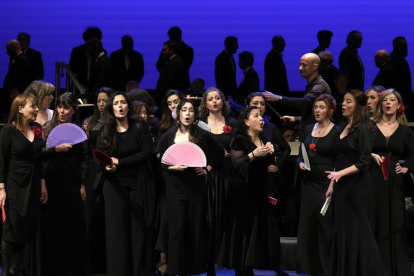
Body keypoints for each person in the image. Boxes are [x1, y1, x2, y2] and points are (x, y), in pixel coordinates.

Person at [218, 106, 289, 276]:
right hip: (243, 194)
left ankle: (265, 266)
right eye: (256, 116)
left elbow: (266, 165)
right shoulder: (239, 140)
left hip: (260, 192)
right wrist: (253, 154)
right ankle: (242, 270)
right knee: (244, 232)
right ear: (246, 122)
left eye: (261, 116)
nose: (261, 119)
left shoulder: (263, 139)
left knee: (262, 231)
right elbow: (237, 164)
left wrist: (272, 158)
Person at [157, 99, 224, 275]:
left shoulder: (201, 134)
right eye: (184, 110)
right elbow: (160, 162)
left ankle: (192, 269)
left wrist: (208, 168)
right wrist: (172, 167)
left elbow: (219, 152)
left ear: (195, 115)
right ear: (178, 113)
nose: (187, 113)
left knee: (195, 227)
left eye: (191, 110)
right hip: (175, 186)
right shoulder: (168, 136)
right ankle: (174, 268)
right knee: (177, 227)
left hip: (195, 187)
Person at [325, 90, 388, 276]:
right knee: (342, 229)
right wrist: (332, 184)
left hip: (357, 185)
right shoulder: (344, 127)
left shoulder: (364, 129)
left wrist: (341, 174)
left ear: (358, 106)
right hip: (342, 184)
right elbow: (339, 158)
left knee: (358, 228)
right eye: (343, 101)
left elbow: (363, 161)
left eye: (348, 101)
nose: (343, 104)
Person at [97, 91, 154, 276]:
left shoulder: (140, 127)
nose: (120, 106)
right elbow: (99, 157)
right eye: (116, 103)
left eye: (123, 102)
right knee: (116, 233)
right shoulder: (106, 130)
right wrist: (108, 167)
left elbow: (146, 153)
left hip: (138, 184)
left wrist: (119, 162)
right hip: (114, 185)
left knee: (137, 232)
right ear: (111, 108)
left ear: (128, 106)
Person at [40, 92, 87, 276]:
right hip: (51, 179)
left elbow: (83, 159)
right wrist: (55, 149)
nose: (61, 111)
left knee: (72, 224)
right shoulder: (47, 127)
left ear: (74, 110)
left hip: (71, 180)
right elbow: (39, 153)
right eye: (59, 106)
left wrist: (82, 184)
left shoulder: (79, 129)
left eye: (66, 107)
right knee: (53, 225)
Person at [0, 94, 47, 276]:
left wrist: (43, 185)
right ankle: (5, 271)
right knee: (10, 228)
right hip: (13, 185)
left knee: (25, 227)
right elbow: (1, 161)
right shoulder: (7, 131)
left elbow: (39, 161)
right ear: (20, 109)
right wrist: (1, 189)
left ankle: (14, 269)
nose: (36, 109)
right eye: (32, 106)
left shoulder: (36, 130)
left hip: (32, 185)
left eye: (36, 106)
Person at [368, 89, 414, 276]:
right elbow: (358, 147)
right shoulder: (370, 126)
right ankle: (370, 266)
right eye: (385, 100)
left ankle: (391, 267)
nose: (388, 103)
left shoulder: (404, 130)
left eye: (392, 100)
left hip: (394, 180)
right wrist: (371, 155)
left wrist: (406, 168)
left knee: (393, 221)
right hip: (372, 176)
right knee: (372, 218)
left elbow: (412, 154)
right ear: (380, 104)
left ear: (398, 105)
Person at [296, 94, 340, 276]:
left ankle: (326, 269)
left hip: (325, 184)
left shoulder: (337, 131)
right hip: (309, 183)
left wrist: (332, 185)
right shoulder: (308, 129)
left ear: (330, 110)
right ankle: (307, 267)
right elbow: (301, 152)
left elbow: (339, 160)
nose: (317, 110)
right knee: (308, 225)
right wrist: (299, 162)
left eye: (322, 107)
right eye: (315, 107)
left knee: (324, 226)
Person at [198, 87, 236, 275]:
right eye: (210, 99)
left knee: (228, 220)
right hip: (209, 177)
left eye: (217, 98)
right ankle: (210, 264)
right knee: (210, 221)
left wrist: (231, 155)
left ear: (223, 101)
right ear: (205, 104)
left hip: (228, 176)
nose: (214, 101)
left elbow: (240, 147)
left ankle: (230, 260)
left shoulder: (233, 124)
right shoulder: (200, 125)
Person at [82, 87, 114, 275]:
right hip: (92, 171)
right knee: (90, 218)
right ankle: (90, 264)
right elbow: (84, 152)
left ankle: (107, 263)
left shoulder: (114, 122)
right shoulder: (88, 122)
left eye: (105, 100)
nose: (102, 104)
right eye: (99, 100)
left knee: (106, 218)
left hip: (108, 171)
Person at [263, 53, 331, 140]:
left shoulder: (320, 85)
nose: (300, 68)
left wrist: (279, 98)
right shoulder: (313, 85)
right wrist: (294, 119)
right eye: (300, 64)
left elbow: (305, 102)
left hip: (318, 138)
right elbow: (312, 116)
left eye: (304, 65)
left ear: (315, 67)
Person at [155, 40, 189, 106]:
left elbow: (170, 83)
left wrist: (159, 95)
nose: (162, 52)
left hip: (170, 98)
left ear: (171, 50)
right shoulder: (174, 62)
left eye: (164, 50)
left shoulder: (175, 63)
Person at [3, 40, 31, 109]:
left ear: (14, 48)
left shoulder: (22, 60)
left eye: (9, 49)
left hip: (17, 91)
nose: (7, 52)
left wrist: (16, 90)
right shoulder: (17, 59)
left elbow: (19, 78)